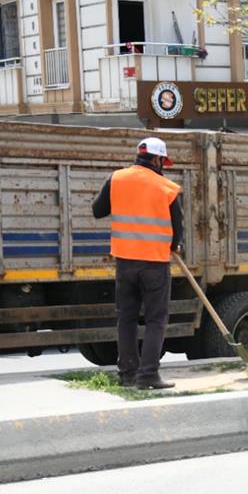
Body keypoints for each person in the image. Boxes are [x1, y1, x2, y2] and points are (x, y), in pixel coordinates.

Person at [92, 137, 183, 389]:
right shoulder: (167, 188)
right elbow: (178, 228)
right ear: (156, 159)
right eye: (163, 161)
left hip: (125, 263)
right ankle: (148, 376)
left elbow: (97, 210)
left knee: (127, 319)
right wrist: (175, 246)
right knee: (156, 319)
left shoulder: (116, 179)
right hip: (154, 263)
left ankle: (127, 374)